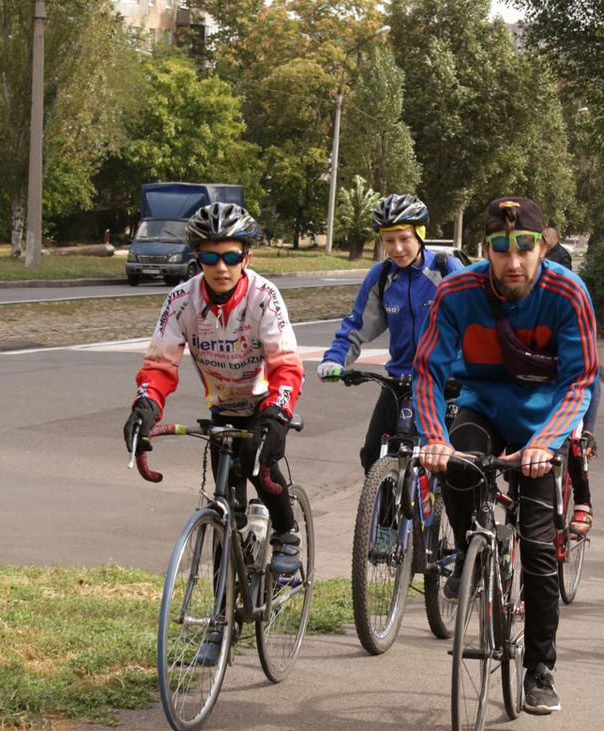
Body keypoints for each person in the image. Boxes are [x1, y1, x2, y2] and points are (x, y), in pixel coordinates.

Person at [414, 195, 598, 715]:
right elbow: (428, 370)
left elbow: (580, 378)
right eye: (500, 248)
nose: (512, 261)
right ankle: (471, 546)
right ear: (485, 249)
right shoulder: (456, 292)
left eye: (524, 248)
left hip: (542, 424)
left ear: (543, 245)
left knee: (541, 556)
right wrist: (435, 438)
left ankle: (540, 669)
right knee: (456, 465)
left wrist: (546, 442)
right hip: (483, 407)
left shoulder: (568, 293)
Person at [123, 202, 305, 661]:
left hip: (263, 402)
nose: (220, 267)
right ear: (197, 258)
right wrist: (145, 407)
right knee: (225, 512)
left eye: (230, 256)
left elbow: (285, 365)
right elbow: (161, 363)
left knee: (260, 467)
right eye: (209, 257)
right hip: (222, 405)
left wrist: (278, 414)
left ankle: (287, 536)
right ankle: (219, 623)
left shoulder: (264, 296)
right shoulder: (181, 300)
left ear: (246, 257)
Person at [318, 194, 465, 472]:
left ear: (420, 235)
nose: (397, 248)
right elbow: (357, 324)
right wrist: (336, 359)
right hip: (400, 379)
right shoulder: (382, 276)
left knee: (451, 464)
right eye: (388, 240)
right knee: (373, 453)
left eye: (404, 238)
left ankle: (441, 508)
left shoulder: (446, 270)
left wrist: (468, 371)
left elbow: (473, 326)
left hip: (446, 382)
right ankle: (381, 513)